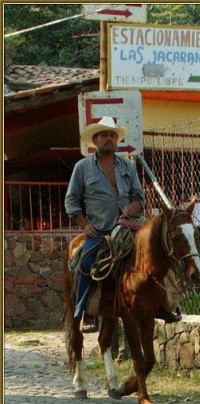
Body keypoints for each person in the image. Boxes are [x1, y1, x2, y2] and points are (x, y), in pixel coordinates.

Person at [65, 115, 178, 330]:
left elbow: (139, 197)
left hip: (130, 225)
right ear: (95, 140)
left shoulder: (128, 166)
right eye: (104, 135)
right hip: (99, 229)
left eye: (112, 136)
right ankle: (85, 311)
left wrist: (130, 209)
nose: (109, 139)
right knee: (87, 263)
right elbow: (71, 200)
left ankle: (165, 305)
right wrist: (84, 225)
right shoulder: (82, 167)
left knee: (161, 250)